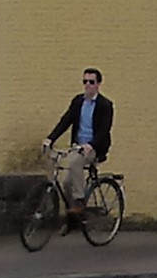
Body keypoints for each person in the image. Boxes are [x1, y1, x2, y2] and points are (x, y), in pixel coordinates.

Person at [47, 67, 115, 206]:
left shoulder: (105, 105)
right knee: (66, 183)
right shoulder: (78, 101)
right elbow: (66, 121)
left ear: (98, 84)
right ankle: (73, 217)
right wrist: (51, 138)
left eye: (91, 82)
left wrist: (91, 145)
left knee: (74, 163)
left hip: (95, 148)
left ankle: (79, 200)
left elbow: (104, 130)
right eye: (85, 81)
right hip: (77, 147)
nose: (87, 85)